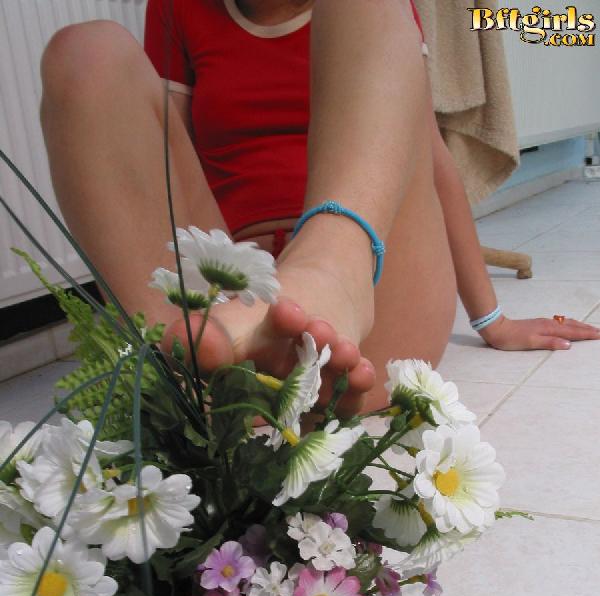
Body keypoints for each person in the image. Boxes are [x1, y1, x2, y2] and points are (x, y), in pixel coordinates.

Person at [39, 0, 600, 415]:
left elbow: (432, 163)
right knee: (86, 52)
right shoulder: (180, 7)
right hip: (237, 294)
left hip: (374, 288)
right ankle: (176, 361)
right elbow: (163, 167)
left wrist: (492, 321)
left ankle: (330, 274)